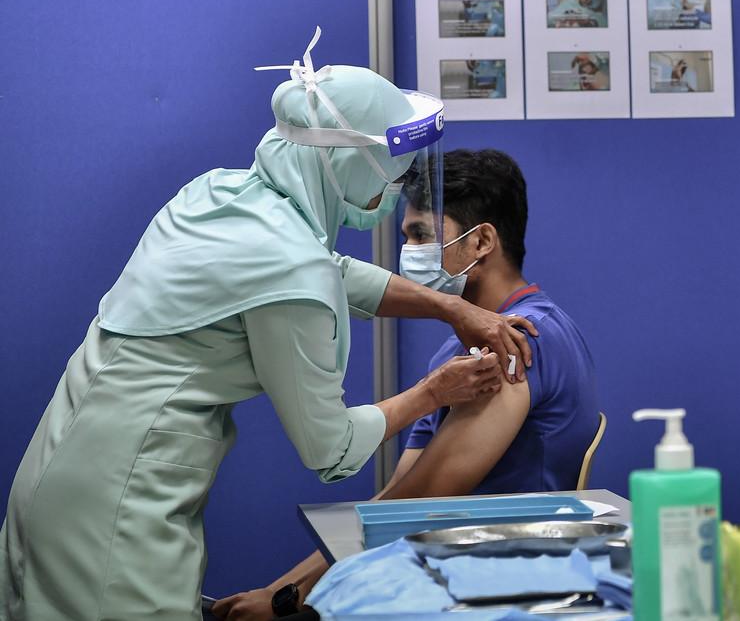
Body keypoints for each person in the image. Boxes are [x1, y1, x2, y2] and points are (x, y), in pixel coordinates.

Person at [0, 38, 537, 621]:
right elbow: (330, 447)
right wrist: (436, 392)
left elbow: (323, 270)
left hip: (56, 469)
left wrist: (448, 307)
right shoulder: (289, 265)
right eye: (394, 165)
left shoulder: (216, 193)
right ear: (350, 163)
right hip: (117, 505)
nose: (399, 185)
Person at [213, 149, 599, 620]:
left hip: (493, 585)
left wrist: (286, 598)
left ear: (482, 242)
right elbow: (400, 490)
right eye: (406, 236)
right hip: (444, 570)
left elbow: (428, 494)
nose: (410, 252)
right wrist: (284, 590)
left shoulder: (520, 340)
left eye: (422, 235)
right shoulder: (455, 357)